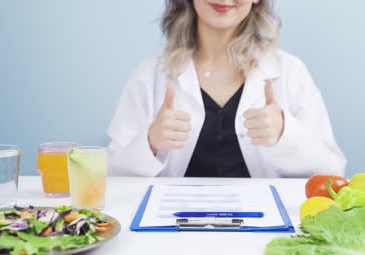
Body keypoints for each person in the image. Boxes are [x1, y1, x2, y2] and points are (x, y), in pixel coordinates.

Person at [107, 0, 346, 178]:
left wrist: (286, 132)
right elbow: (111, 172)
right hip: (172, 232)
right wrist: (151, 141)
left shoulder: (290, 73)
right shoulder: (151, 75)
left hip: (264, 234)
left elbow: (333, 171)